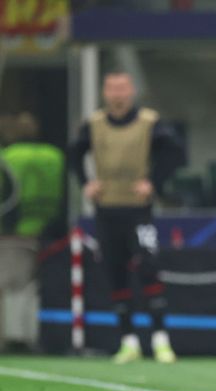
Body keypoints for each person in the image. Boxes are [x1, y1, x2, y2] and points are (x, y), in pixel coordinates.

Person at [70, 71, 183, 364]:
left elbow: (174, 153)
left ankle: (160, 339)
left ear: (131, 91)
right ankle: (128, 340)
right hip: (107, 209)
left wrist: (154, 183)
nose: (117, 94)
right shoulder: (93, 124)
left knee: (148, 266)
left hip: (138, 209)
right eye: (112, 88)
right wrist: (86, 182)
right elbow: (74, 153)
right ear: (104, 92)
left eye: (122, 88)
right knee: (114, 271)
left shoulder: (149, 121)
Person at [0, 112, 64, 352]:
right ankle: (33, 336)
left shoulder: (9, 157)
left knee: (9, 287)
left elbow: (7, 195)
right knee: (34, 288)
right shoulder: (54, 156)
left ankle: (11, 339)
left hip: (14, 233)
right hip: (47, 231)